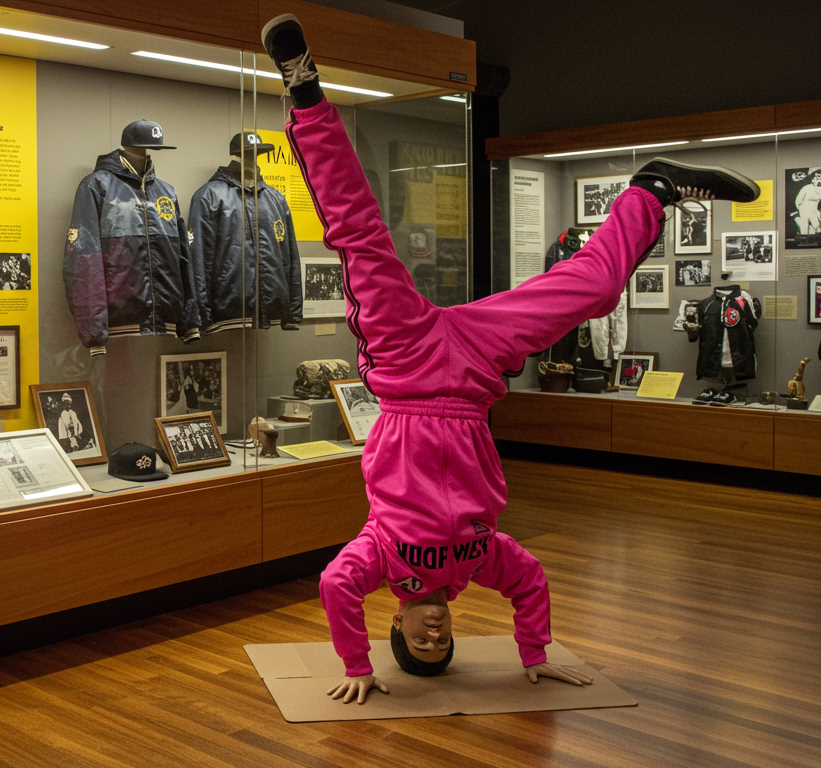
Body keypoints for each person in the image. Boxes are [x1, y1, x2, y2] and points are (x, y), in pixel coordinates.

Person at [259, 13, 761, 705]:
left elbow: (334, 585)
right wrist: (533, 651)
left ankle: (304, 89)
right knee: (596, 291)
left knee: (357, 232)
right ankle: (653, 190)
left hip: (404, 368)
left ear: (396, 625)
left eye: (420, 643)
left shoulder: (383, 563)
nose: (434, 635)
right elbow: (529, 581)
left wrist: (355, 665)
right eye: (444, 645)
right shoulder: (477, 565)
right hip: (470, 375)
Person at [796, 169, 821, 236]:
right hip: (805, 208)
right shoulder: (806, 187)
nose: (818, 178)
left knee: (816, 226)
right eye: (816, 176)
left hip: (816, 209)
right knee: (805, 225)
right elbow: (798, 200)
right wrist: (801, 208)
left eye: (819, 176)